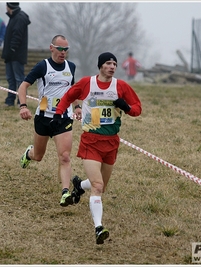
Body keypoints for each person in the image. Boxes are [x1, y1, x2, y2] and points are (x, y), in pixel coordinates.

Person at [50, 52, 142, 244]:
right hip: (90, 141)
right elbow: (68, 97)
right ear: (100, 66)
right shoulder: (86, 83)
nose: (112, 66)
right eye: (108, 63)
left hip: (111, 143)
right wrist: (59, 113)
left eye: (115, 64)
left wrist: (125, 107)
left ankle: (79, 186)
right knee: (98, 186)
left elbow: (137, 109)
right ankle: (99, 227)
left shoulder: (121, 86)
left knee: (100, 186)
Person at [18, 35, 81, 207]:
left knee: (65, 156)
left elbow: (72, 89)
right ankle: (28, 153)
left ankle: (65, 192)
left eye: (66, 49)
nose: (63, 53)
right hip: (44, 116)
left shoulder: (71, 67)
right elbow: (23, 86)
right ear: (51, 48)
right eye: (60, 49)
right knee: (38, 156)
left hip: (63, 118)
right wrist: (23, 106)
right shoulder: (42, 66)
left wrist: (77, 106)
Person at [2, 2, 30, 107]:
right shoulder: (14, 17)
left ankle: (21, 101)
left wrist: (12, 49)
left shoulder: (19, 18)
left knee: (19, 78)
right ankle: (10, 100)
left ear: (10, 7)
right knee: (11, 79)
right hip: (10, 54)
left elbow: (17, 35)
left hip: (16, 55)